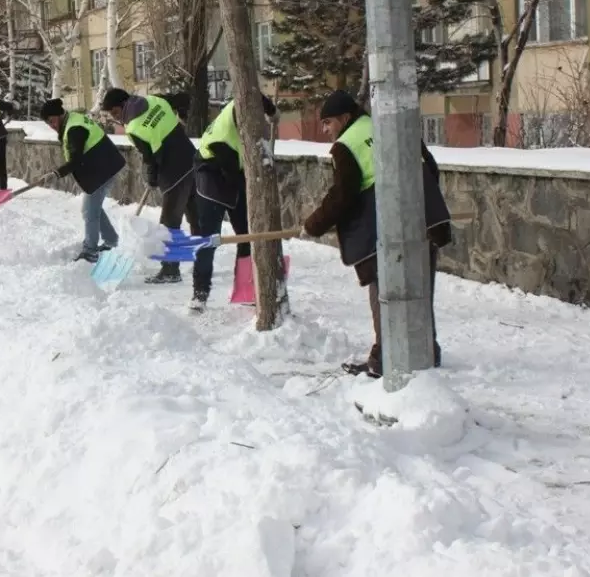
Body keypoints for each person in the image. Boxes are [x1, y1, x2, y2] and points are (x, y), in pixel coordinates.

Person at [302, 90, 452, 378]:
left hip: (388, 231)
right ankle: (427, 352)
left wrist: (314, 225)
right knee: (421, 288)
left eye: (328, 122)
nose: (325, 130)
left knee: (384, 293)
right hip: (425, 219)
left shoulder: (347, 145)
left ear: (345, 118)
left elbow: (342, 195)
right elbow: (429, 166)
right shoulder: (390, 125)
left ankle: (384, 360)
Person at [191, 94, 279, 312]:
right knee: (209, 238)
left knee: (247, 233)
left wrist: (273, 113)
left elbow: (258, 97)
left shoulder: (243, 101)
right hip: (211, 174)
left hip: (232, 171)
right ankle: (199, 293)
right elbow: (235, 174)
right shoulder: (222, 138)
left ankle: (246, 288)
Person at [100, 87, 197, 284]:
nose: (116, 118)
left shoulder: (135, 128)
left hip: (173, 173)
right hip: (192, 160)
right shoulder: (155, 100)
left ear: (123, 105)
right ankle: (205, 260)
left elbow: (149, 157)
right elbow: (181, 97)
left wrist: (152, 177)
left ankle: (170, 270)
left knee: (169, 224)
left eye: (115, 112)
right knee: (195, 215)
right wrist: (183, 115)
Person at [41, 98, 126, 262]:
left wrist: (56, 174)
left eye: (52, 121)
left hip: (104, 169)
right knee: (93, 209)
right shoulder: (71, 121)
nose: (51, 125)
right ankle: (111, 241)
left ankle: (90, 251)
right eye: (48, 123)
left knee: (89, 211)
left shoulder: (74, 129)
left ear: (59, 115)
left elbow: (76, 160)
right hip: (103, 166)